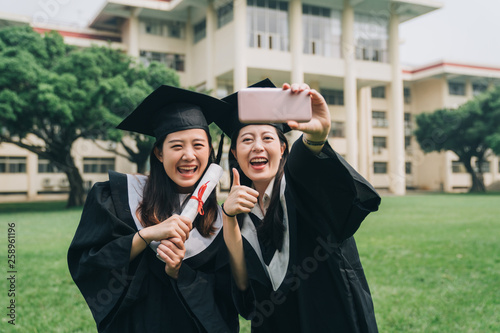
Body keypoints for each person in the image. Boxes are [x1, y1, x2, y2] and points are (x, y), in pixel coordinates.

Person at [67, 85, 239, 332]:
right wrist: (145, 235)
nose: (189, 155)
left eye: (198, 145)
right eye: (177, 146)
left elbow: (227, 298)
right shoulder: (118, 197)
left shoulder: (222, 221)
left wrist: (178, 271)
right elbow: (87, 264)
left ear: (210, 152)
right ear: (159, 152)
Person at [215, 80, 381, 332]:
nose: (258, 146)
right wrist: (228, 217)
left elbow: (306, 165)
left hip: (331, 318)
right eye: (247, 140)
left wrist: (315, 138)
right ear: (235, 154)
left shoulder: (299, 186)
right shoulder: (239, 211)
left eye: (268, 138)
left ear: (282, 149)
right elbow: (243, 287)